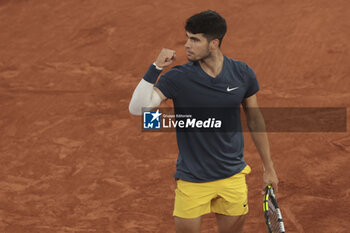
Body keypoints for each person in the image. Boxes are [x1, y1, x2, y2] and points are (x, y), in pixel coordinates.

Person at [129, 10, 279, 233]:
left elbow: (255, 121)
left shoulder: (242, 73)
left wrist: (269, 167)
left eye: (195, 39)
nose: (187, 45)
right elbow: (137, 109)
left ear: (214, 43)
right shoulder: (178, 77)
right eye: (187, 37)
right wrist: (156, 68)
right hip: (192, 180)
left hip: (232, 177)